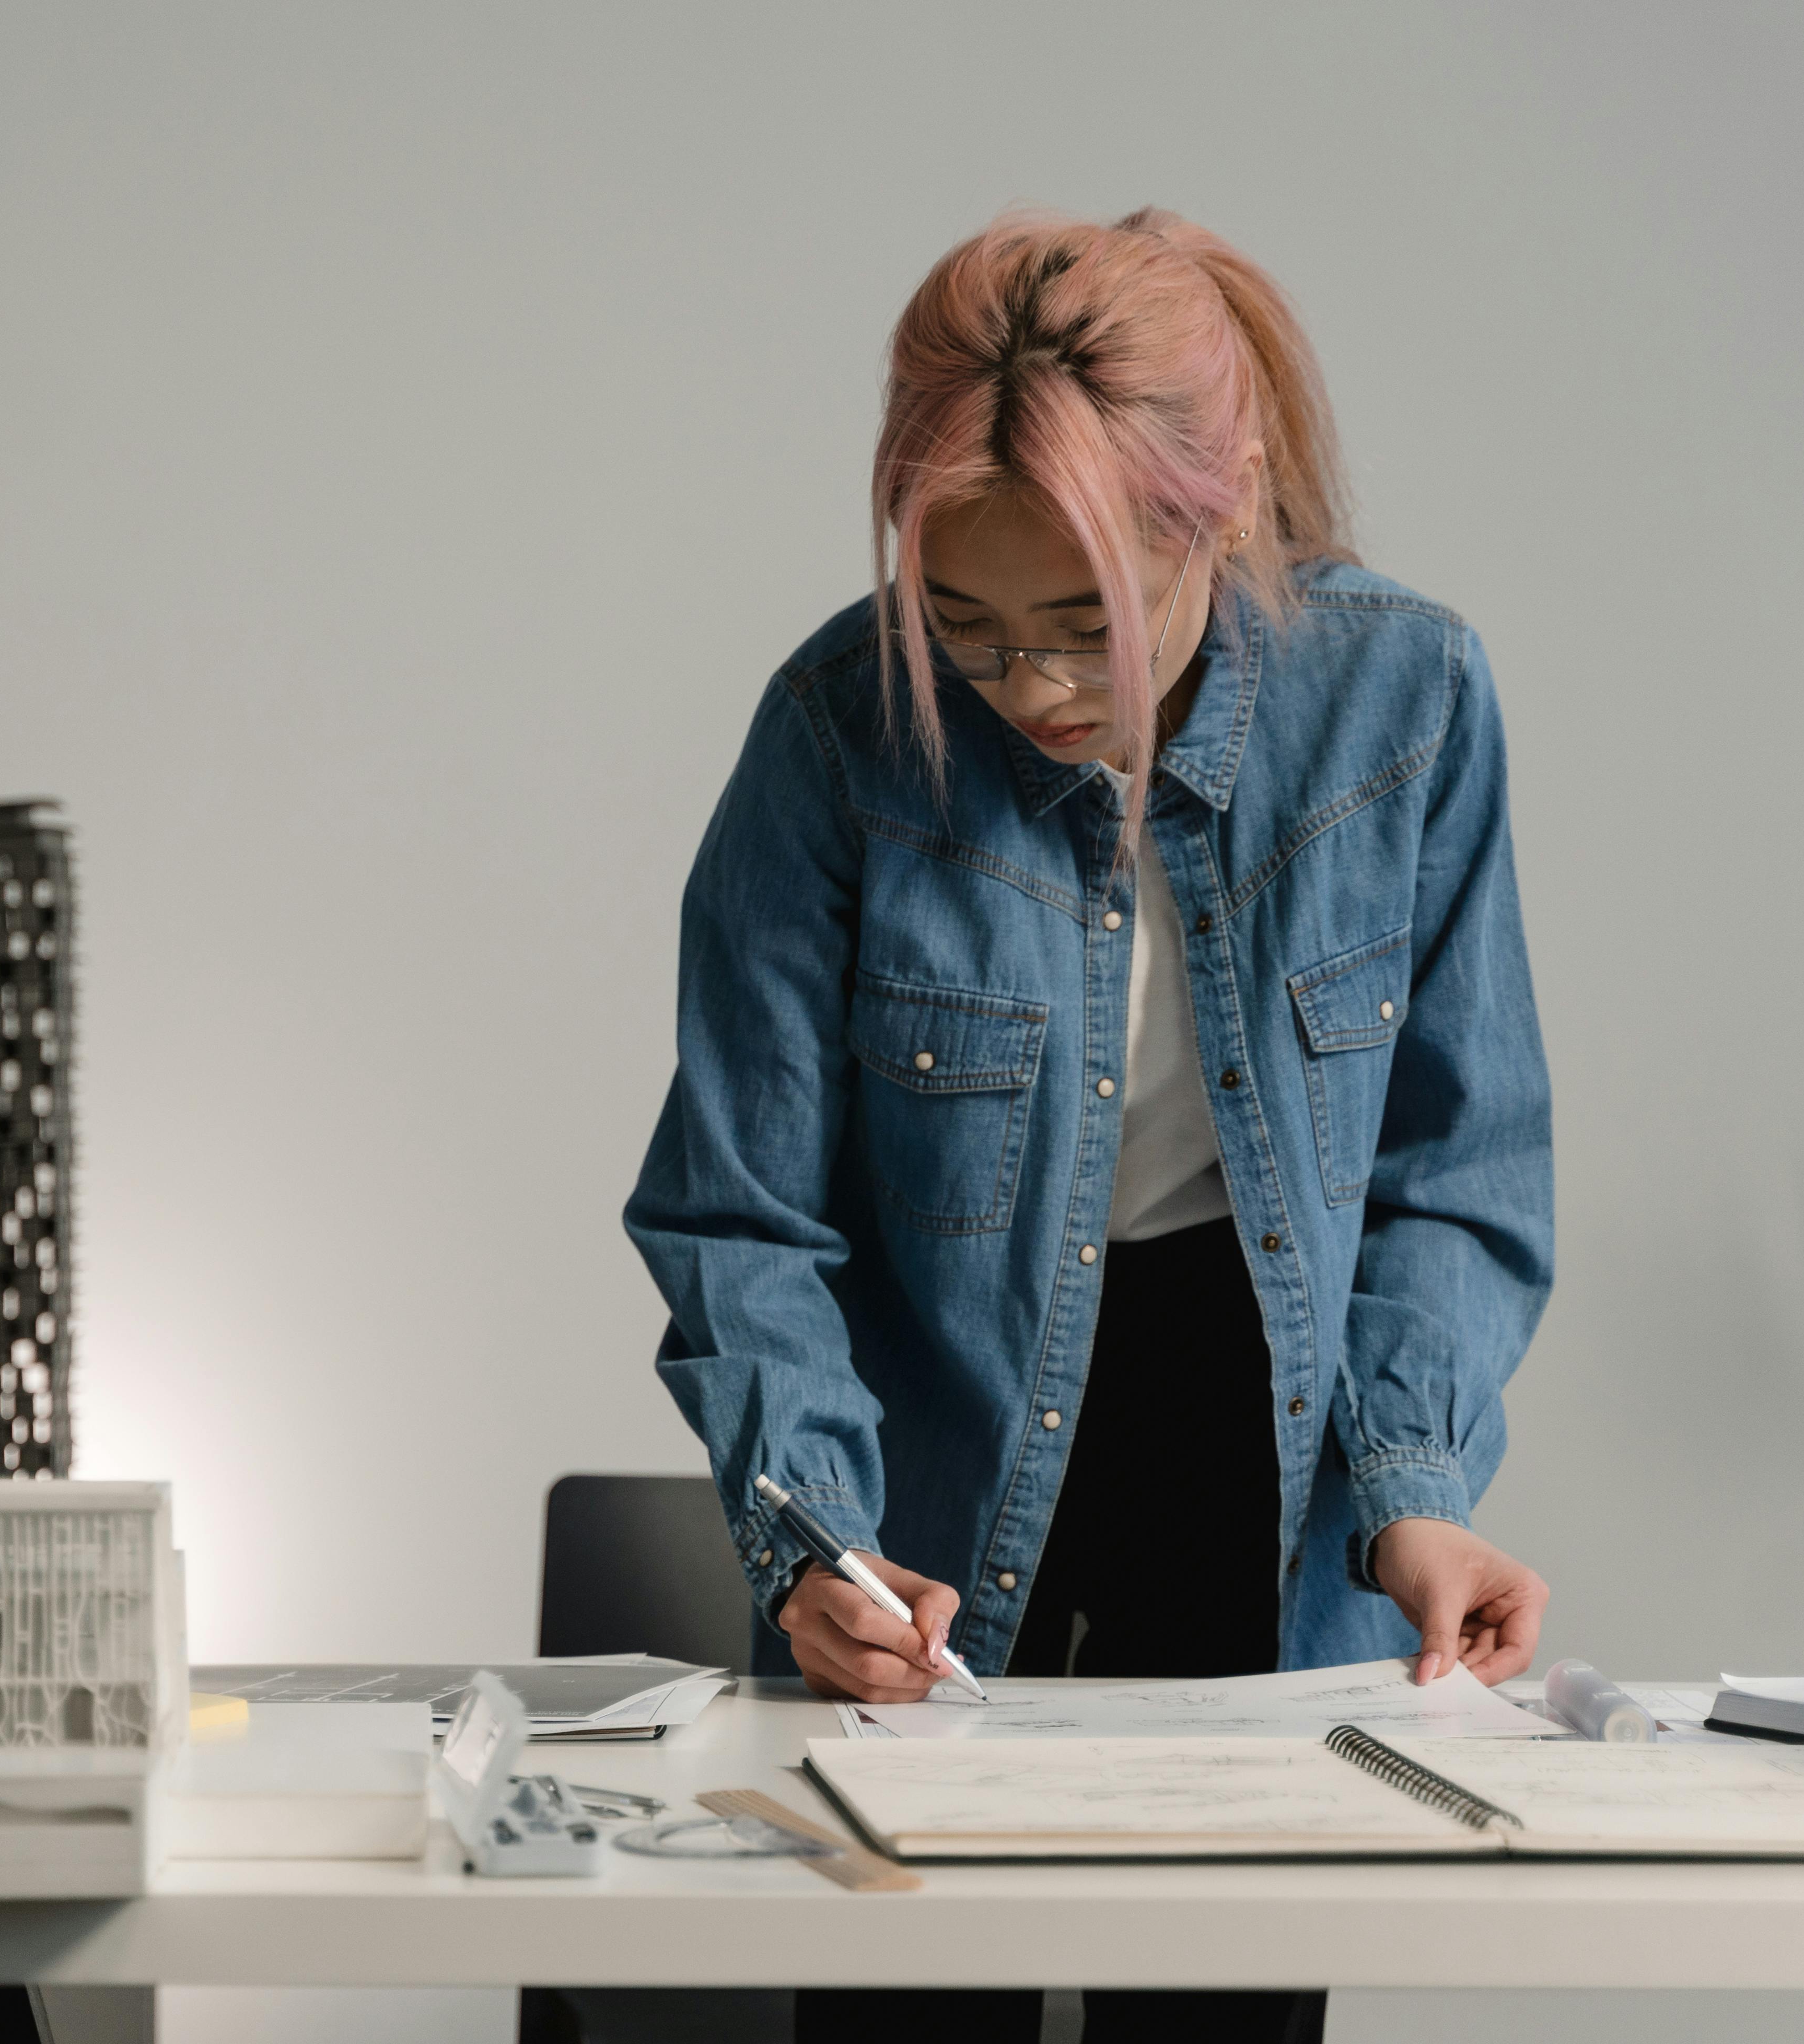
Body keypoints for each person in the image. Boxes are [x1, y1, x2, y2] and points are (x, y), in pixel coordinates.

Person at [623, 207, 1556, 2044]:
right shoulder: (837, 732)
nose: (1033, 691)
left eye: (1085, 626)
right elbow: (742, 1214)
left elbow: (1455, 1174)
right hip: (927, 1477)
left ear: (1228, 507)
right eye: (966, 629)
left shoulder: (1410, 703)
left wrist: (1413, 1497)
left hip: (1263, 1474)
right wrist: (814, 1540)